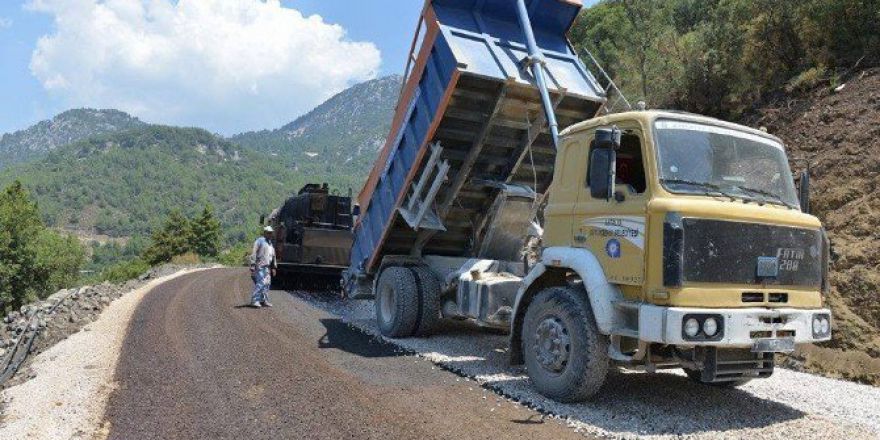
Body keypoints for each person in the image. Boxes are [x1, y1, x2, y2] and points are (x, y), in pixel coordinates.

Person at [249, 226, 277, 308]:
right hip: (260, 266)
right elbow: (254, 253)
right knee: (260, 283)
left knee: (267, 284)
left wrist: (274, 267)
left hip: (267, 267)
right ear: (264, 233)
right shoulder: (259, 241)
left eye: (271, 233)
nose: (270, 234)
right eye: (268, 232)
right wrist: (253, 264)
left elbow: (273, 256)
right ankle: (254, 300)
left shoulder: (270, 243)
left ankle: (264, 300)